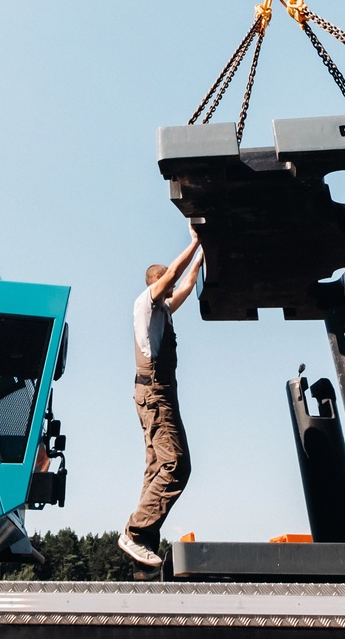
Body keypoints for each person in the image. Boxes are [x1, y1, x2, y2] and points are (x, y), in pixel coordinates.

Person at [119, 230, 203, 567]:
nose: (171, 285)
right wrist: (195, 242)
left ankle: (143, 545)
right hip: (155, 393)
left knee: (156, 468)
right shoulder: (146, 301)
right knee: (177, 465)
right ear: (157, 281)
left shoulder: (164, 311)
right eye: (165, 278)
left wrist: (205, 251)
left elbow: (186, 281)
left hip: (160, 393)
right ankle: (136, 533)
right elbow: (175, 275)